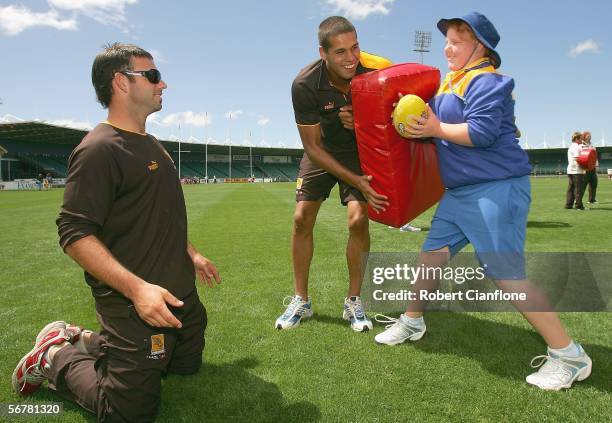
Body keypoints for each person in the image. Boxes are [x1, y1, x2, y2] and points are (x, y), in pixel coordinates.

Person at [374, 12, 591, 391]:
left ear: (481, 47)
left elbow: (483, 132)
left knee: (507, 275)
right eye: (447, 40)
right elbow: (432, 131)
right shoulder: (449, 83)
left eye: (457, 41)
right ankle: (412, 320)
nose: (447, 47)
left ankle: (570, 355)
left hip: (496, 188)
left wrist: (436, 127)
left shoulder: (489, 80)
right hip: (459, 193)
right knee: (430, 258)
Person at [12, 43, 221, 421]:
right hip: (134, 301)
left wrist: (192, 254)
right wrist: (138, 289)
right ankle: (54, 356)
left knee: (185, 367)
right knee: (129, 412)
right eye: (153, 76)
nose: (163, 84)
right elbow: (73, 232)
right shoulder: (99, 149)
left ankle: (89, 340)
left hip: (178, 294)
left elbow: (161, 215)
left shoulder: (153, 144)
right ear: (121, 83)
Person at [275, 16, 390, 332]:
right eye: (340, 52)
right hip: (321, 151)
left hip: (357, 153)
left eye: (355, 48)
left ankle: (353, 300)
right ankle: (301, 300)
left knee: (358, 220)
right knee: (301, 219)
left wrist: (364, 120)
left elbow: (396, 122)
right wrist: (356, 182)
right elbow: (312, 148)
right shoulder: (304, 84)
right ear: (323, 53)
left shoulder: (374, 73)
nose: (351, 58)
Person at [566, 131, 587, 209]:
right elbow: (577, 158)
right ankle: (579, 206)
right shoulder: (576, 147)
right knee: (578, 189)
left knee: (571, 188)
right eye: (581, 139)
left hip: (571, 170)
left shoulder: (572, 146)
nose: (582, 140)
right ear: (577, 139)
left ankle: (568, 205)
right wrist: (584, 167)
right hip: (576, 171)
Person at [582, 131, 598, 204]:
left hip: (593, 167)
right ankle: (578, 200)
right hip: (585, 167)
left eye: (590, 136)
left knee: (594, 183)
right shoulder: (581, 145)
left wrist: (596, 165)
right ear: (584, 137)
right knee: (583, 185)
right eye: (587, 136)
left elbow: (595, 156)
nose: (589, 137)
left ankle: (592, 199)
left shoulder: (592, 145)